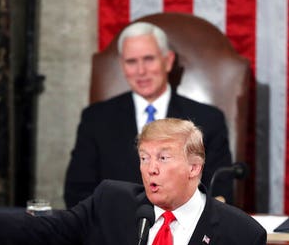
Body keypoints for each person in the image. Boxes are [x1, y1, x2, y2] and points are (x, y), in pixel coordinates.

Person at [0, 118, 275, 245]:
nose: (150, 170)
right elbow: (52, 230)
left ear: (194, 167)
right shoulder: (113, 203)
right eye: (144, 158)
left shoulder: (241, 235)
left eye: (164, 158)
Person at [64, 22, 233, 208]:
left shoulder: (207, 120)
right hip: (115, 230)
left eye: (149, 59)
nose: (141, 71)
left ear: (168, 61)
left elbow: (219, 191)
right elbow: (77, 192)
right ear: (122, 66)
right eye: (131, 62)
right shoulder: (95, 119)